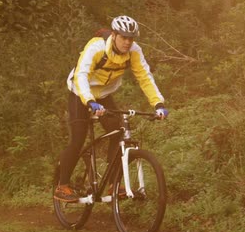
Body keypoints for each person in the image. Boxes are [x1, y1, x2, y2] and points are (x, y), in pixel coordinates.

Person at [54, 15, 168, 202]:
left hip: (104, 96)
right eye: (123, 37)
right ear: (114, 35)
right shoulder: (97, 47)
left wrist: (158, 103)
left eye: (131, 38)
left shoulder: (134, 51)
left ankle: (112, 185)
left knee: (119, 131)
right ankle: (62, 186)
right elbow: (81, 75)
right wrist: (90, 101)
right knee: (78, 138)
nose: (127, 42)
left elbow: (145, 77)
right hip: (80, 93)